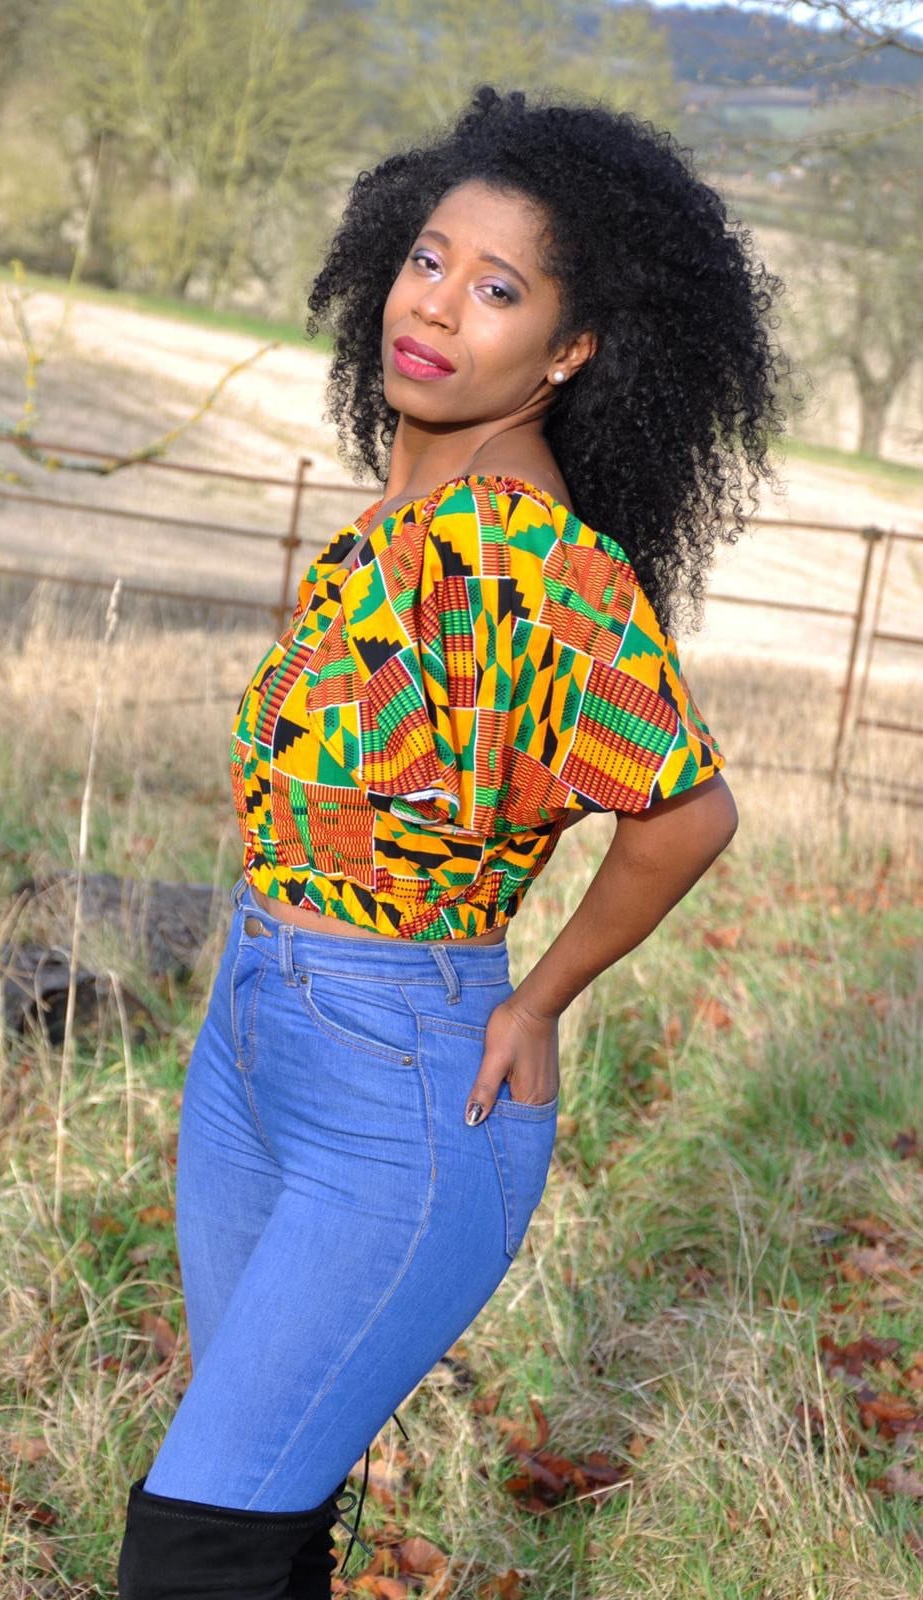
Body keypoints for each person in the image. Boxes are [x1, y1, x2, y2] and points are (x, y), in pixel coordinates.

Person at [116, 85, 786, 1599]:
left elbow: (687, 813)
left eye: (498, 290)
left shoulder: (531, 559)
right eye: (427, 259)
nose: (435, 307)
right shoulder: (395, 529)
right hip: (255, 1042)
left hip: (399, 1086)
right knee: (262, 1516)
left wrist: (538, 997)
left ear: (568, 352)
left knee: (192, 1551)